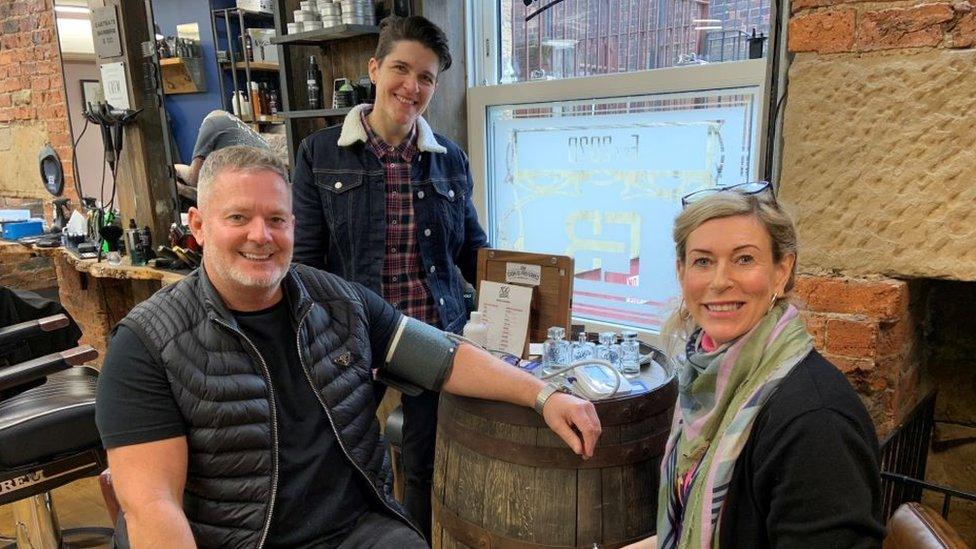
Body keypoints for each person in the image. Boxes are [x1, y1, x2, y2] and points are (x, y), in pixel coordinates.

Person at [94, 146, 600, 548]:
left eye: (277, 219)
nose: (261, 236)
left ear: (294, 225)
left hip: (356, 530)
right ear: (199, 226)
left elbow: (443, 358)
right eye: (238, 218)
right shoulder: (147, 345)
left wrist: (544, 395)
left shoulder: (340, 301)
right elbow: (152, 507)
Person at [290, 15, 488, 539]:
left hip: (430, 334)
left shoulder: (450, 160)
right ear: (374, 69)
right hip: (350, 337)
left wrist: (524, 295)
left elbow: (473, 252)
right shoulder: (320, 154)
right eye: (401, 69)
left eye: (426, 77)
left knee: (423, 464)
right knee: (335, 456)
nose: (412, 86)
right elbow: (305, 264)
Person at [626, 182, 884, 548]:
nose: (720, 281)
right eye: (703, 261)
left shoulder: (815, 422)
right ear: (682, 273)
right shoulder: (706, 382)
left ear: (782, 270)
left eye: (744, 259)